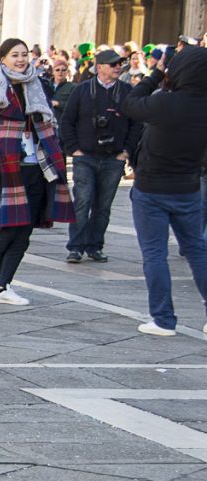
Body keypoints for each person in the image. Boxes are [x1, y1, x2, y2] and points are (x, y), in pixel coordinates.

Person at [0, 38, 74, 305]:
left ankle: (1, 285)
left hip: (38, 167)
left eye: (24, 55)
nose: (20, 59)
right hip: (7, 167)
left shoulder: (37, 85)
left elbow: (47, 122)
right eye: (14, 55)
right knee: (8, 229)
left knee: (25, 230)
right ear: (2, 58)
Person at [120, 46, 207, 336]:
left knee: (155, 254)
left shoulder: (165, 103)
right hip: (189, 188)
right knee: (197, 250)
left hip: (152, 189)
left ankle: (163, 319)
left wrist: (156, 73)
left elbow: (130, 102)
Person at [59, 48, 141, 263]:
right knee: (82, 201)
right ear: (99, 67)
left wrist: (126, 151)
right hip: (85, 156)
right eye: (113, 64)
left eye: (119, 64)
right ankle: (75, 247)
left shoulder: (126, 91)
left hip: (113, 157)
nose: (117, 67)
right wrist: (74, 148)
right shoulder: (83, 90)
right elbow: (67, 121)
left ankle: (95, 245)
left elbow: (136, 124)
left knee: (103, 206)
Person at [49, 58, 76, 124]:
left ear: (67, 72)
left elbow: (75, 107)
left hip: (63, 124)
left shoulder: (73, 87)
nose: (60, 72)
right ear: (53, 72)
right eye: (57, 70)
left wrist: (58, 104)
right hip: (46, 125)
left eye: (63, 70)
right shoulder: (45, 85)